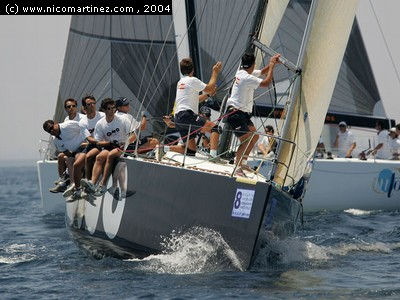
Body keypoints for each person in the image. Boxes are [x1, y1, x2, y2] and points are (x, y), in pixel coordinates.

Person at [225, 52, 281, 173]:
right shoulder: (247, 77)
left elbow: (262, 72)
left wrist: (272, 63)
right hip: (235, 113)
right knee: (246, 139)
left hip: (242, 114)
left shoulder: (242, 72)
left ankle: (243, 162)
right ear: (253, 64)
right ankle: (237, 167)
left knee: (254, 136)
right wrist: (271, 66)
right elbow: (266, 83)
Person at [81, 98, 135, 196]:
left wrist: (125, 143)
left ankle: (103, 185)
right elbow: (98, 141)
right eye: (109, 109)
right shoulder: (100, 124)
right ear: (104, 110)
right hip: (110, 145)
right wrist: (108, 142)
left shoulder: (123, 119)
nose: (112, 111)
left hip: (123, 146)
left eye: (113, 108)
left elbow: (133, 135)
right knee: (99, 157)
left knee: (110, 155)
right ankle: (92, 183)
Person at [169, 58, 222, 160]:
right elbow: (210, 87)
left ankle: (165, 149)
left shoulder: (180, 82)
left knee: (191, 151)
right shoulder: (192, 80)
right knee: (215, 129)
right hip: (186, 115)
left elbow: (194, 99)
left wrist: (207, 95)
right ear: (192, 70)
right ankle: (214, 156)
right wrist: (215, 72)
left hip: (178, 118)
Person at [43, 119, 90, 198]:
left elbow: (82, 126)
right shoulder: (55, 140)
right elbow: (67, 153)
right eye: (49, 131)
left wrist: (88, 140)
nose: (51, 131)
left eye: (51, 127)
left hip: (84, 146)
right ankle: (69, 183)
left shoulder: (67, 125)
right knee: (66, 158)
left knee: (74, 161)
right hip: (75, 151)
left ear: (55, 123)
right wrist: (70, 155)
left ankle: (73, 184)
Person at [79, 95, 105, 180]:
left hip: (106, 143)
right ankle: (87, 181)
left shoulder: (103, 116)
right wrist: (99, 142)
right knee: (87, 157)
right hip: (95, 144)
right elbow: (89, 138)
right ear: (84, 107)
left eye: (94, 103)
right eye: (89, 104)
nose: (92, 105)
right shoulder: (83, 122)